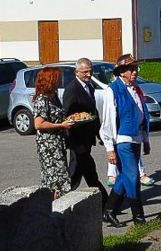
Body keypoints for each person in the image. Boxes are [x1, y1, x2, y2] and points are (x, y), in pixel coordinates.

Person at [100, 54, 151, 227]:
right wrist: (109, 147)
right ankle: (138, 216)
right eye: (131, 69)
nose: (134, 72)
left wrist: (145, 139)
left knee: (124, 176)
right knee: (133, 175)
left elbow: (142, 115)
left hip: (135, 137)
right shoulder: (112, 90)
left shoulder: (136, 88)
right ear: (121, 72)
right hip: (122, 139)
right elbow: (107, 121)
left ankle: (109, 210)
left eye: (135, 68)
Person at [63, 58, 108, 210]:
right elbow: (69, 114)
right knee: (81, 170)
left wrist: (99, 133)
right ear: (77, 72)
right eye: (85, 72)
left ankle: (102, 201)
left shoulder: (89, 87)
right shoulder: (72, 89)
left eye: (90, 71)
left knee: (81, 170)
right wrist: (80, 119)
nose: (88, 74)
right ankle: (104, 201)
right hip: (77, 139)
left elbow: (93, 112)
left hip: (87, 137)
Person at [33, 67, 75, 199]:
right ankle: (54, 210)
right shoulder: (42, 100)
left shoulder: (53, 97)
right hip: (49, 145)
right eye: (57, 78)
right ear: (50, 80)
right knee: (55, 178)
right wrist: (61, 125)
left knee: (58, 177)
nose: (60, 80)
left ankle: (55, 210)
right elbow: (38, 124)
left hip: (58, 142)